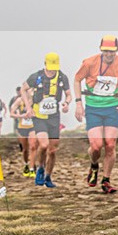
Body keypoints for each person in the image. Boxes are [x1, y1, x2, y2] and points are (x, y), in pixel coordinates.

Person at [74, 35, 118, 194]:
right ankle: (94, 165)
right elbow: (77, 79)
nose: (109, 55)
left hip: (113, 108)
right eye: (106, 51)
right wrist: (78, 103)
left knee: (110, 143)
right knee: (96, 146)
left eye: (112, 52)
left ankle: (106, 180)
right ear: (101, 50)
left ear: (117, 50)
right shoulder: (89, 63)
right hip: (93, 108)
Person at [21, 52, 72, 188]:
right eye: (50, 67)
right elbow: (23, 89)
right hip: (39, 116)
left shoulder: (62, 77)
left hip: (54, 117)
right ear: (45, 64)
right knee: (43, 145)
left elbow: (68, 94)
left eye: (54, 67)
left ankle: (48, 176)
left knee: (53, 150)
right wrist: (28, 108)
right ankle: (40, 169)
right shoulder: (36, 76)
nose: (52, 70)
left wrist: (67, 103)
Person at [10, 90, 37, 177]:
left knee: (33, 146)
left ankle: (32, 169)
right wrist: (22, 116)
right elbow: (11, 114)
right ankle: (26, 164)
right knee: (25, 149)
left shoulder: (35, 100)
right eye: (30, 90)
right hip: (22, 127)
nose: (32, 91)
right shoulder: (19, 100)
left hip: (32, 127)